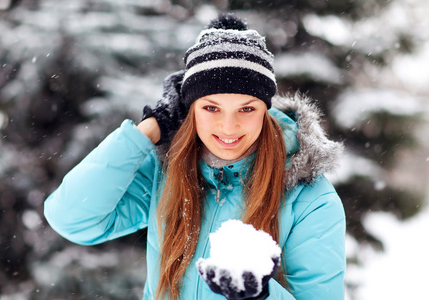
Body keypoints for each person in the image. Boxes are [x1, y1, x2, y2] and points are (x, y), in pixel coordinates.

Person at [44, 14, 346, 300]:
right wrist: (147, 130)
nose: (229, 127)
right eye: (211, 108)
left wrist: (261, 293)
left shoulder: (309, 199)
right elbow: (72, 218)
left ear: (265, 111)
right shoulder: (166, 171)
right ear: (189, 109)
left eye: (247, 108)